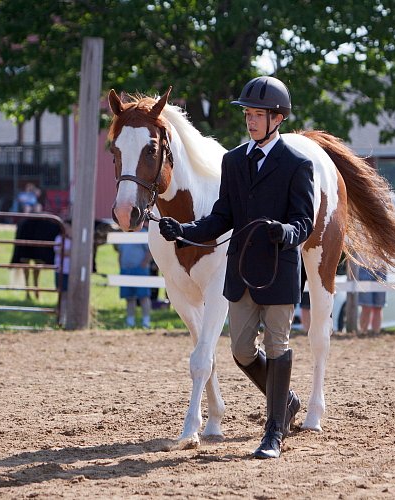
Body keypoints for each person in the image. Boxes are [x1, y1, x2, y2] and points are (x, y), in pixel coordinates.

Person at [158, 76, 313, 459]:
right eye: (248, 113)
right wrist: (186, 231)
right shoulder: (233, 161)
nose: (250, 120)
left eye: (257, 114)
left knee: (277, 348)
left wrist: (286, 231)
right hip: (241, 272)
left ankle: (273, 432)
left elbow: (304, 221)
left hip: (279, 269)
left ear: (277, 118)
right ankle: (287, 401)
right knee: (242, 351)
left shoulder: (297, 164)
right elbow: (222, 216)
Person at [116, 224, 152, 328]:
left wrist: (144, 264)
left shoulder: (144, 233)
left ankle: (146, 322)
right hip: (126, 269)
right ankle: (130, 321)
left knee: (144, 297)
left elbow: (150, 250)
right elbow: (120, 252)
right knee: (129, 297)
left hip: (140, 269)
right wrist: (121, 265)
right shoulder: (124, 234)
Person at [356, 260, 387, 334]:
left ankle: (376, 333)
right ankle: (363, 332)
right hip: (365, 266)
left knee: (378, 307)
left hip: (381, 268)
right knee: (366, 306)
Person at [54, 219, 72, 323]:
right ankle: (61, 317)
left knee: (67, 294)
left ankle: (64, 317)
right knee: (62, 294)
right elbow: (59, 251)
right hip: (61, 270)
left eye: (68, 228)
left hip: (69, 271)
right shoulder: (59, 238)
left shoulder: (72, 240)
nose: (66, 230)